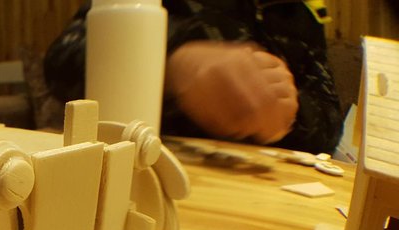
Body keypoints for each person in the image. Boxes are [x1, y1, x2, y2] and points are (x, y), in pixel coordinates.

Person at [44, 0, 343, 154]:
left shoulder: (300, 11)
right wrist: (176, 64)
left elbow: (330, 119)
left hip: (268, 189)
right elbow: (63, 61)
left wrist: (288, 111)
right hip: (153, 166)